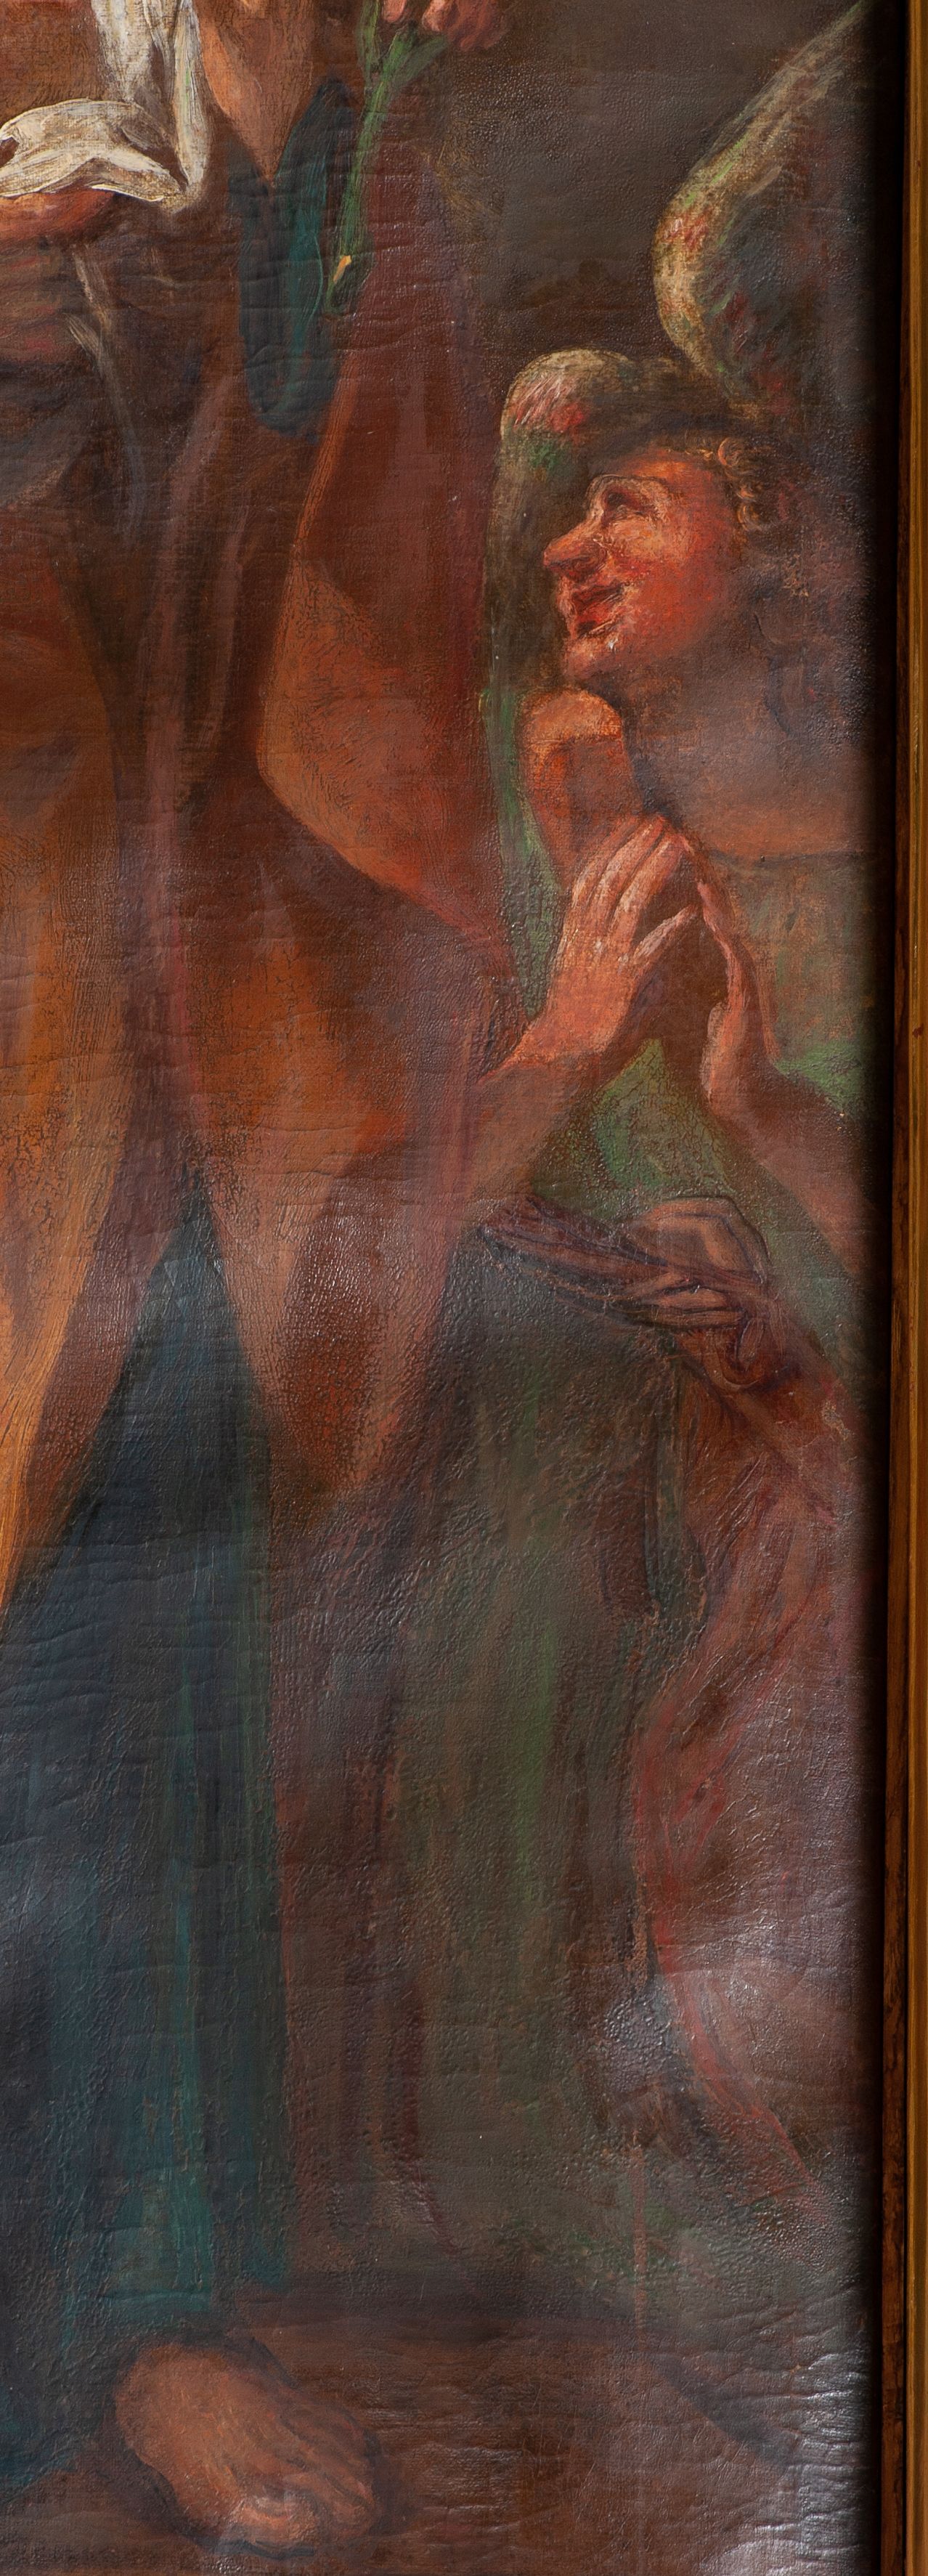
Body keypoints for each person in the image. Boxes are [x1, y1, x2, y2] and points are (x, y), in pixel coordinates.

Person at [0, 0, 514, 2551]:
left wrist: (319, 138)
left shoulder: (258, 63)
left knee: (138, 1612)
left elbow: (326, 463)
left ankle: (127, 2309)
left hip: (159, 978)